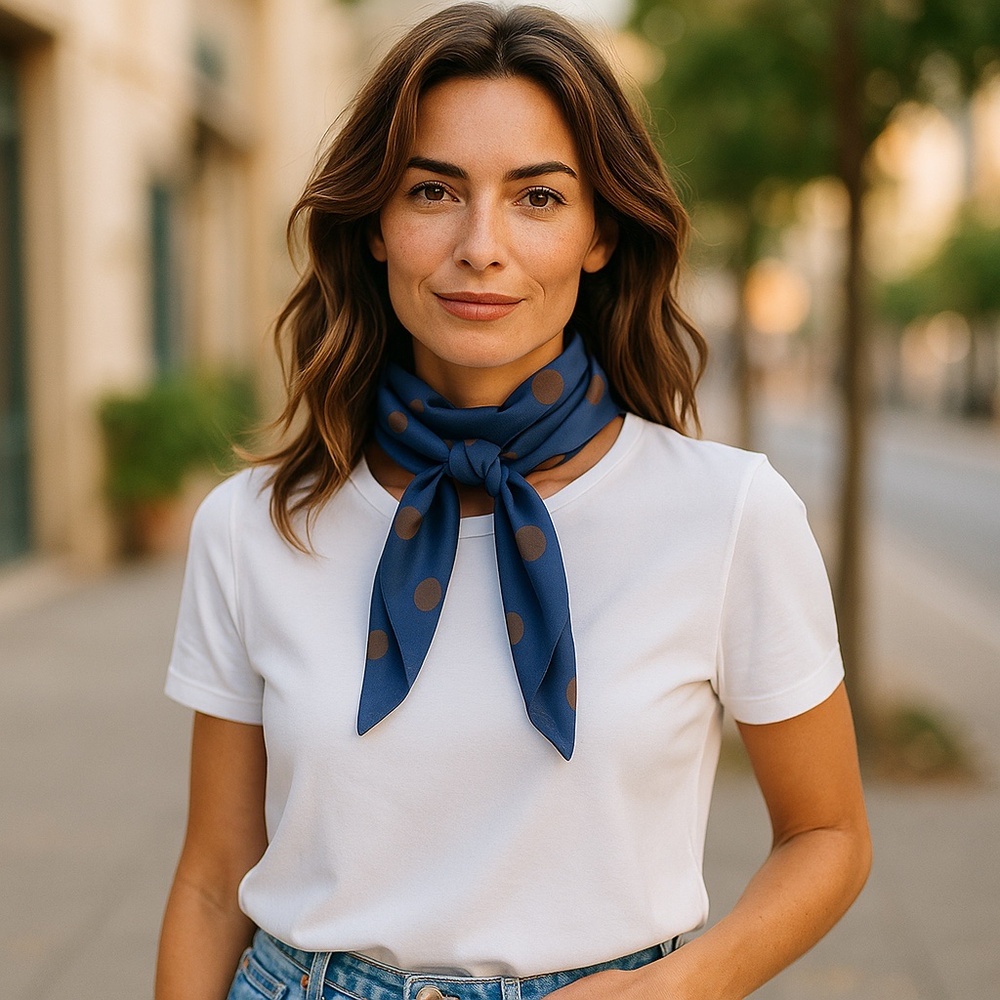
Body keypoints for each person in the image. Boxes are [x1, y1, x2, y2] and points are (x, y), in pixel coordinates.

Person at [155, 5, 871, 1000]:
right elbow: (209, 876)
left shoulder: (729, 513)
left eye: (536, 197)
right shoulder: (252, 524)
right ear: (372, 228)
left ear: (598, 233)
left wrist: (678, 987)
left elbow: (828, 834)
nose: (480, 244)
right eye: (433, 190)